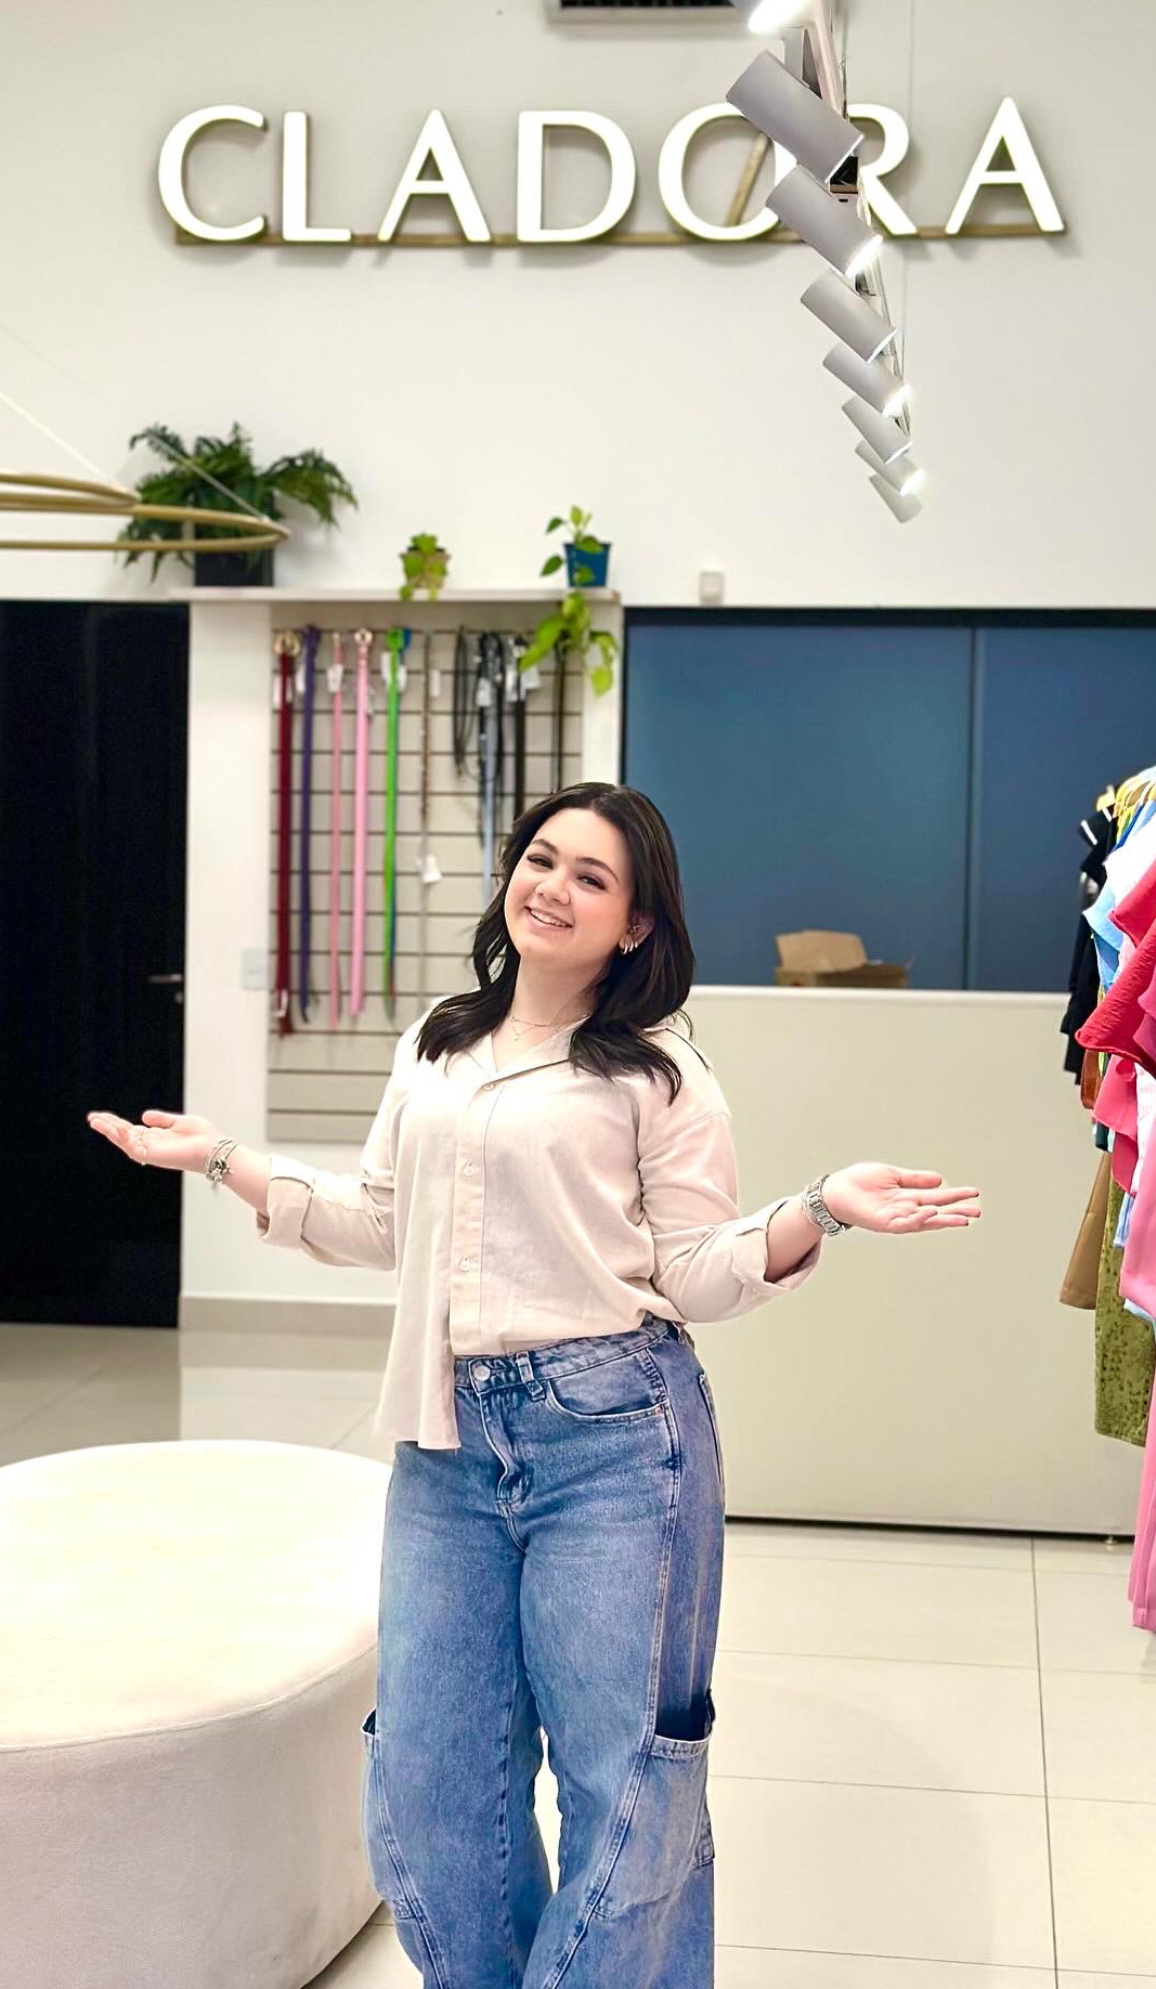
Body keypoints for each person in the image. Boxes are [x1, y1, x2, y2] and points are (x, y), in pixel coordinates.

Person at [88, 779, 980, 1988]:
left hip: (617, 1436)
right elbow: (381, 1222)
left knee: (627, 1789)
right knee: (428, 1785)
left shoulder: (659, 1071)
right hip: (443, 1440)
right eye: (541, 858)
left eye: (591, 877)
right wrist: (226, 1160)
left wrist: (816, 1208)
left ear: (637, 924)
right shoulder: (439, 1040)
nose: (552, 887)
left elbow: (692, 1270)